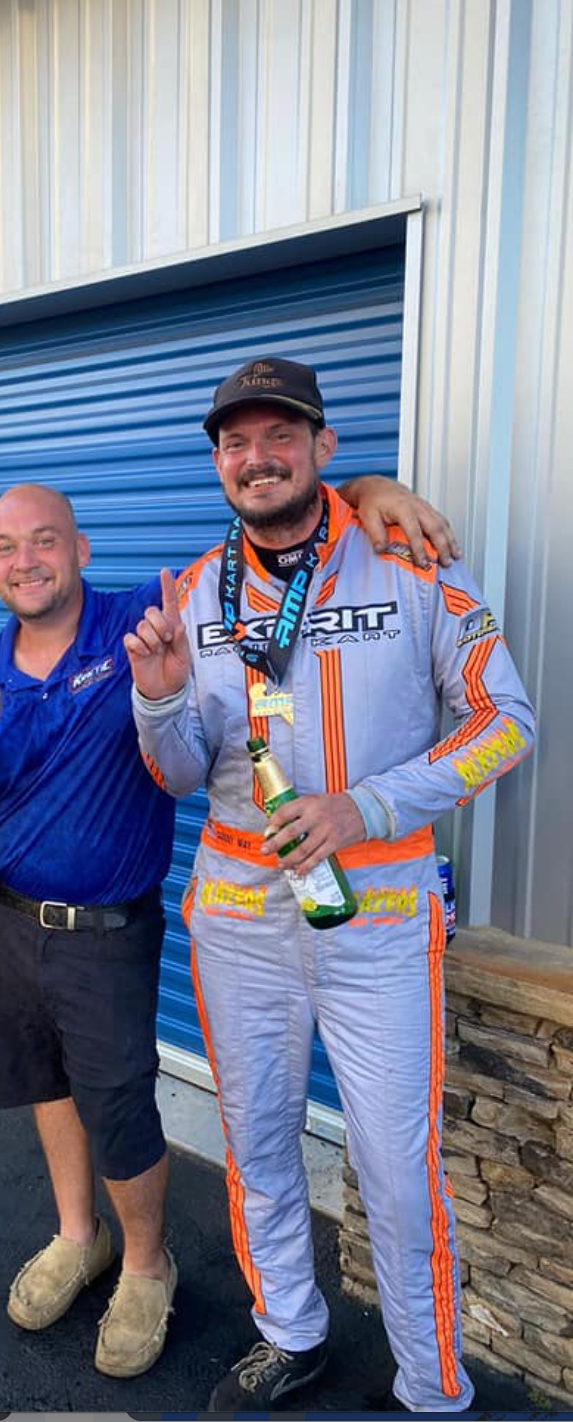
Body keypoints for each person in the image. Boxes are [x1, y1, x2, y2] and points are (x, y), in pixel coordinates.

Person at [0, 464, 461, 1381]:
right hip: (6, 918)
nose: (27, 561)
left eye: (45, 540)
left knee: (120, 1101)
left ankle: (143, 1266)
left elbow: (267, 537)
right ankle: (76, 1236)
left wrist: (365, 488)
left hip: (107, 928)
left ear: (81, 551)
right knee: (45, 1088)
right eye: (6, 548)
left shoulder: (148, 610)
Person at [126, 356, 536, 1413]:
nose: (254, 458)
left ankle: (430, 1384)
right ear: (217, 461)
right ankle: (289, 1332)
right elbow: (174, 777)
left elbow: (506, 725)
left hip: (379, 912)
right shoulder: (186, 593)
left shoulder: (412, 559)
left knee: (396, 1172)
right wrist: (160, 702)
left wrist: (367, 805)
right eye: (232, 441)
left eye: (277, 436)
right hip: (237, 911)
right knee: (257, 1139)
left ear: (322, 449)